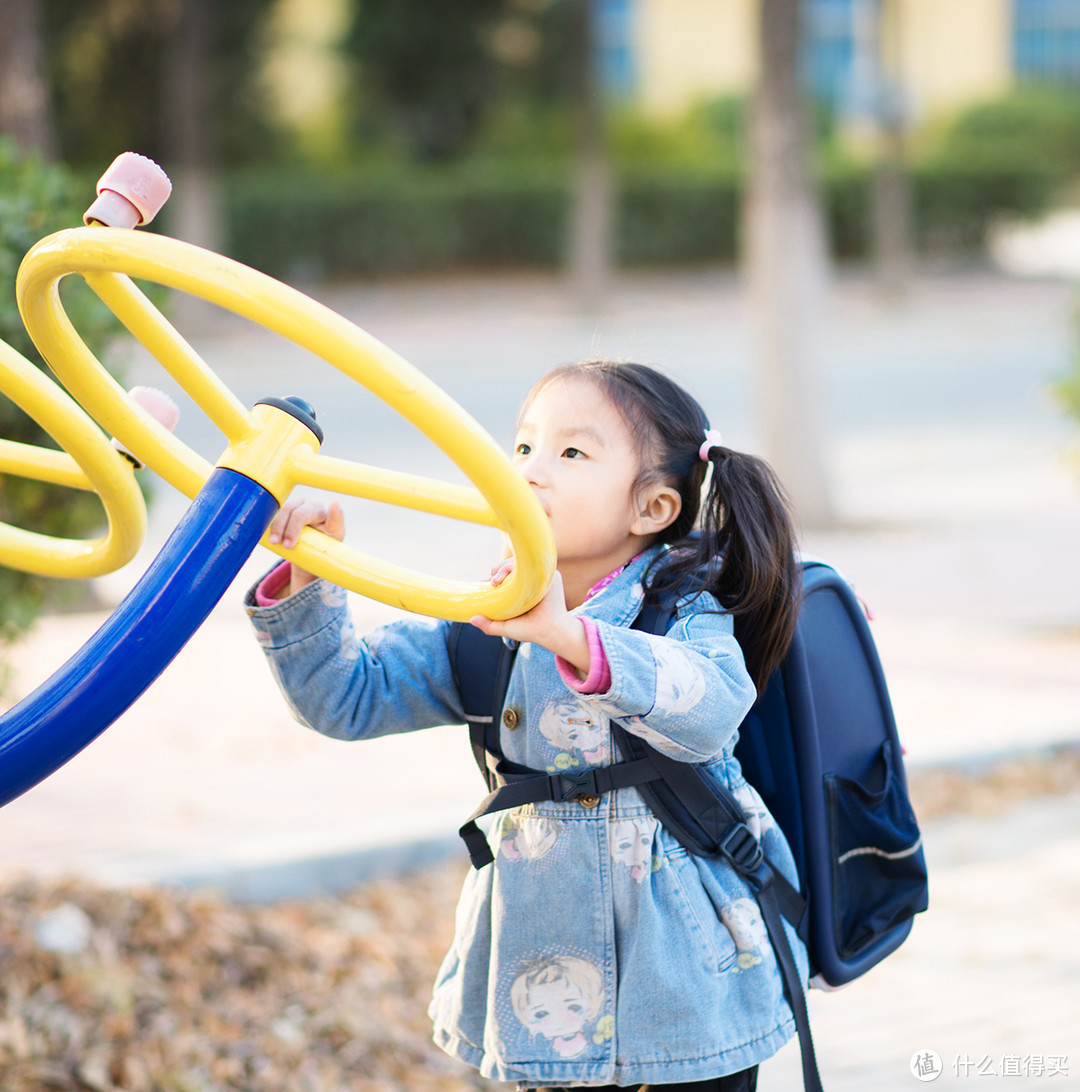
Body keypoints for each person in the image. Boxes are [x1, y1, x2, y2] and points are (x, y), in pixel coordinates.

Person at [244, 360, 807, 1092]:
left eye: (571, 453)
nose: (530, 472)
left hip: (688, 982)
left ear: (652, 508)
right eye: (522, 449)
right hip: (542, 984)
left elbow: (706, 708)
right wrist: (307, 582)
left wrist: (571, 637)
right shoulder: (487, 619)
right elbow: (347, 699)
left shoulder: (682, 608)